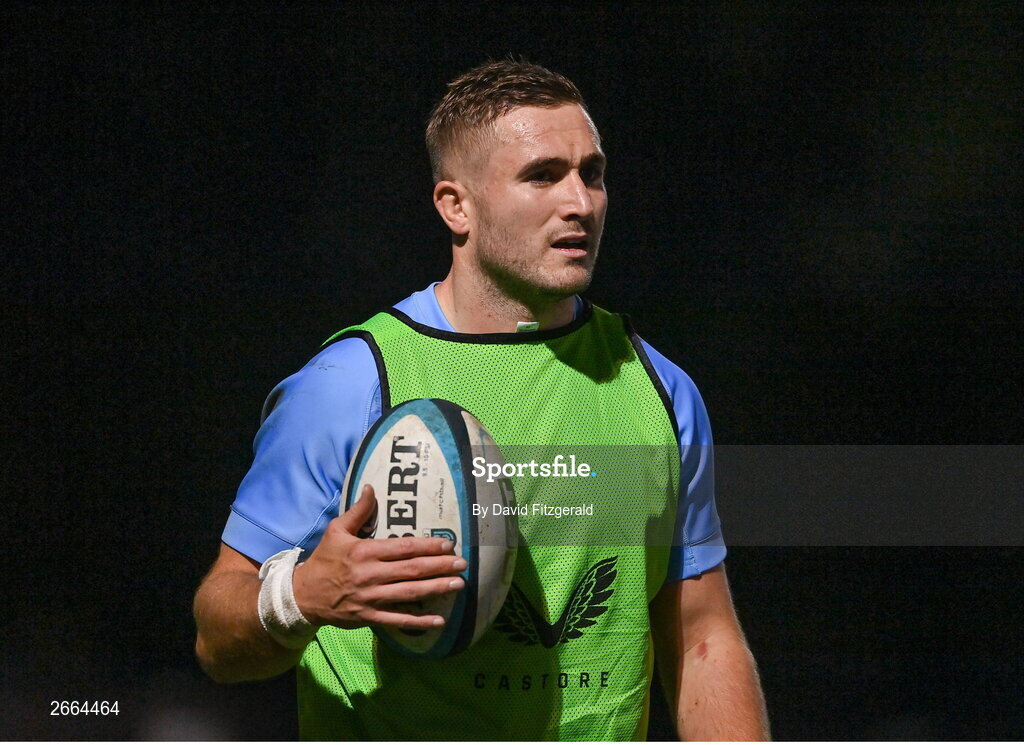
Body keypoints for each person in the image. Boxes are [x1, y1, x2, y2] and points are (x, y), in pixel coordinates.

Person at [194, 59, 769, 741]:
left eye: (593, 172)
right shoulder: (354, 380)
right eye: (543, 175)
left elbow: (703, 637)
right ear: (455, 205)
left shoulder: (659, 389)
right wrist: (303, 596)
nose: (580, 202)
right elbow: (215, 634)